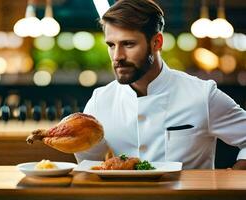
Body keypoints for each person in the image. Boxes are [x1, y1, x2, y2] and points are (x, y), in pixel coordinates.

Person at [75, 0, 246, 169]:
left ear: (156, 42)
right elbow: (89, 166)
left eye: (128, 44)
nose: (117, 56)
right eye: (111, 45)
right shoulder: (100, 100)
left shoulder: (202, 95)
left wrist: (231, 179)